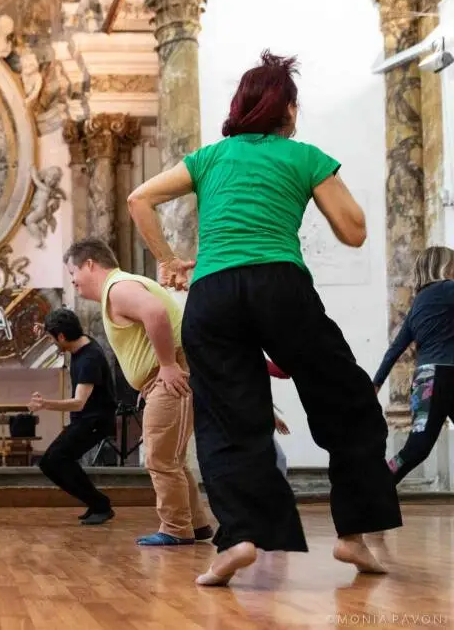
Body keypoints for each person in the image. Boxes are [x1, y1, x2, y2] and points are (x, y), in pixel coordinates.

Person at [127, 50, 401, 585]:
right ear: (289, 111)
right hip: (280, 285)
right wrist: (320, 179)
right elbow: (355, 231)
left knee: (230, 421)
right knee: (350, 406)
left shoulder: (209, 158)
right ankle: (353, 538)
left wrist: (167, 259)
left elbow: (139, 198)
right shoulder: (303, 156)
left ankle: (238, 539)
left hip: (211, 293)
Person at [62, 241, 212, 544]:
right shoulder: (121, 288)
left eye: (73, 272)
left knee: (159, 459)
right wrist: (149, 378)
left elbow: (155, 313)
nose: (73, 281)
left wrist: (167, 366)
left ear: (90, 264)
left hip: (169, 374)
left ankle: (175, 529)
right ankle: (195, 526)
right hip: (160, 378)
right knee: (173, 459)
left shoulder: (118, 288)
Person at [27, 308, 118, 526]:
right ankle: (97, 504)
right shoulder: (81, 342)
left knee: (54, 460)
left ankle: (100, 505)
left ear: (62, 337)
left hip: (95, 421)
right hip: (86, 419)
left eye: (52, 339)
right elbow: (60, 330)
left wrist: (44, 404)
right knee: (54, 461)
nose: (52, 343)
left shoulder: (89, 359)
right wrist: (45, 327)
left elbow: (79, 402)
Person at [372, 246, 454, 483]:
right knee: (417, 448)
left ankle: (375, 486)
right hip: (445, 377)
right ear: (444, 266)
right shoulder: (448, 289)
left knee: (417, 448)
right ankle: (374, 486)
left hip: (426, 380)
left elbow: (394, 350)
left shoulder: (418, 303)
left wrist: (376, 384)